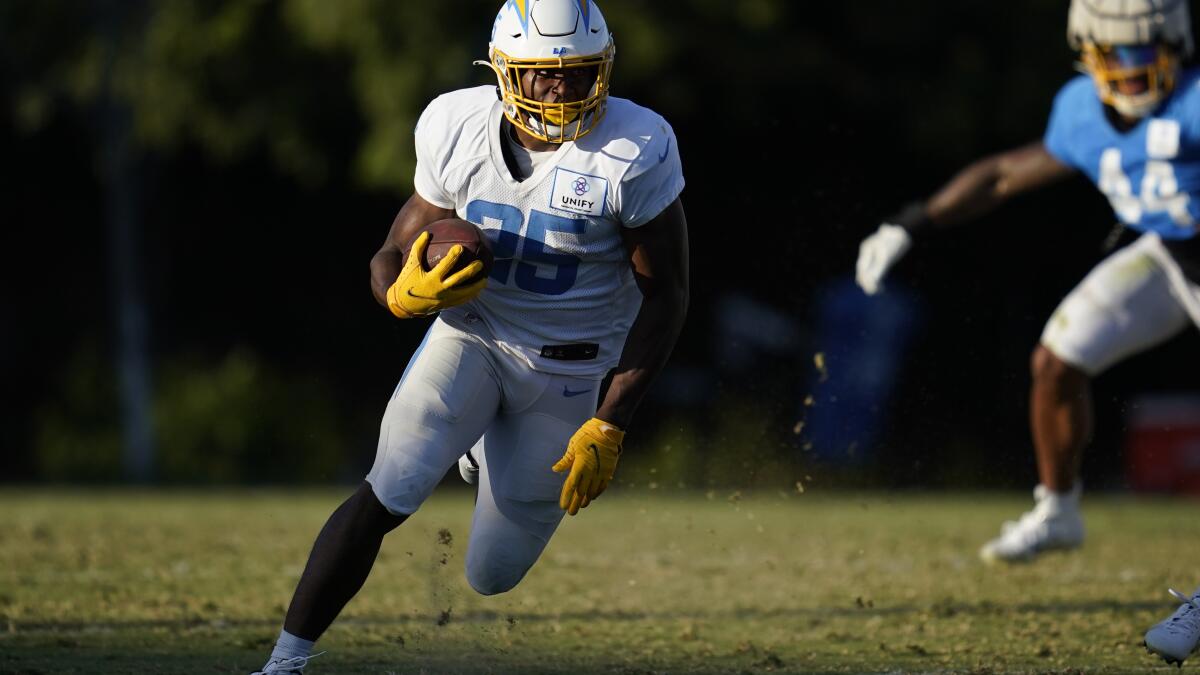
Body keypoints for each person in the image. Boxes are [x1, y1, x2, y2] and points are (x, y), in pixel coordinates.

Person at [252, 0, 688, 672]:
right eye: (546, 74)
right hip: (474, 337)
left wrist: (610, 421)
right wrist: (396, 291)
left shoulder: (632, 149)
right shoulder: (456, 125)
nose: (565, 89)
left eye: (579, 72)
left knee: (491, 572)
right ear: (506, 72)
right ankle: (283, 663)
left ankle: (488, 445)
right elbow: (393, 248)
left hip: (569, 368)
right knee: (388, 487)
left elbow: (669, 293)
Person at [854, 0, 1200, 663]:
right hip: (1170, 257)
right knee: (1056, 359)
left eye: (1142, 50)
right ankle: (1059, 509)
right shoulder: (1080, 111)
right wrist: (911, 222)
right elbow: (1005, 173)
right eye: (1115, 53)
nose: (1130, 70)